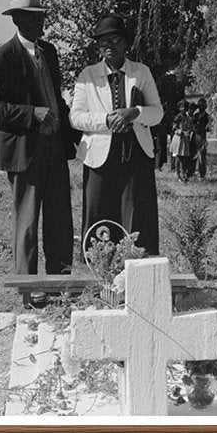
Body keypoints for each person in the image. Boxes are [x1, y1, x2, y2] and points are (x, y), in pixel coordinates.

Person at [0, 0, 78, 276]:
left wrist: (74, 132)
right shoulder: (2, 57)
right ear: (16, 20)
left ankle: (60, 283)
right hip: (25, 151)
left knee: (60, 219)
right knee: (28, 221)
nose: (40, 24)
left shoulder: (49, 52)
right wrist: (31, 114)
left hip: (55, 148)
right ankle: (28, 289)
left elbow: (57, 100)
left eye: (41, 17)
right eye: (32, 18)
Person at [70, 14, 164, 255]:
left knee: (137, 221)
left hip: (136, 159)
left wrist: (135, 112)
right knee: (100, 221)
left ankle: (136, 278)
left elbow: (157, 114)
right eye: (102, 42)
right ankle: (102, 277)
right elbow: (76, 117)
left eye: (114, 40)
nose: (108, 46)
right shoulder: (87, 76)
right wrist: (106, 120)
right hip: (100, 160)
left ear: (125, 43)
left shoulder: (141, 73)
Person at [193, 96, 211, 180]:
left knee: (202, 155)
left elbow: (207, 128)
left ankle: (202, 174)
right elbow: (193, 125)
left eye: (203, 106)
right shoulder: (196, 115)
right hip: (195, 136)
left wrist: (201, 128)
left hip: (202, 136)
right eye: (200, 106)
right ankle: (192, 171)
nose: (201, 108)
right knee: (194, 154)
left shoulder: (207, 116)